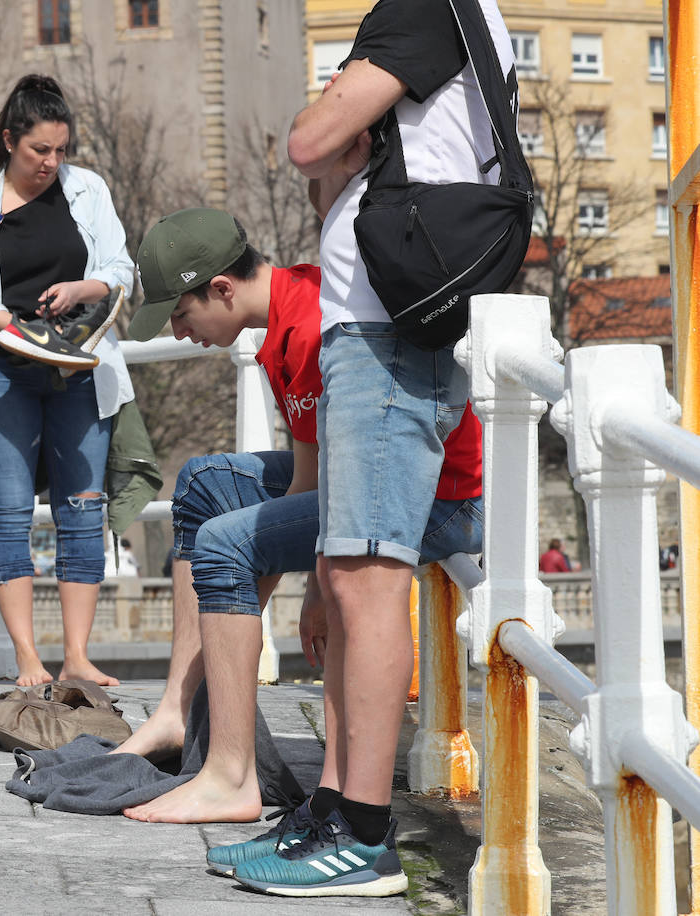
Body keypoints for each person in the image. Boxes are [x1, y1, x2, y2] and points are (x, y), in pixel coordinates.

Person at [224, 0, 515, 896]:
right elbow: (327, 149)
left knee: (370, 575)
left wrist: (339, 130)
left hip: (387, 339)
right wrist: (345, 135)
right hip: (377, 334)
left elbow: (310, 143)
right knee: (353, 572)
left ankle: (363, 834)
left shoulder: (426, 7)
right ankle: (333, 812)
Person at [109, 210, 481, 831]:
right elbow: (316, 467)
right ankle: (180, 707)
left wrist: (317, 580)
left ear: (222, 289)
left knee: (225, 545)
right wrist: (311, 566)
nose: (179, 330)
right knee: (205, 484)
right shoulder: (284, 319)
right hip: (360, 479)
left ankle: (230, 775)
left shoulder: (310, 324)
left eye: (180, 313)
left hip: (436, 499)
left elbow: (333, 487)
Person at [0, 74, 135, 687]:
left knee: (82, 505)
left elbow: (119, 265)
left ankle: (77, 656)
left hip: (79, 364)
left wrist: (84, 288)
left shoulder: (88, 189)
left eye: (60, 150)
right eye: (38, 151)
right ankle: (27, 658)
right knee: (8, 511)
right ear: (9, 141)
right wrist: (19, 334)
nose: (51, 163)